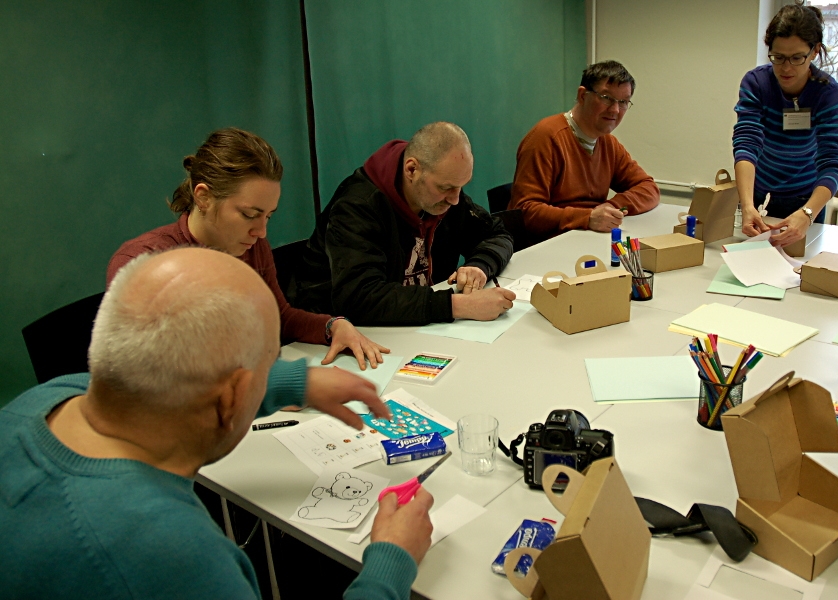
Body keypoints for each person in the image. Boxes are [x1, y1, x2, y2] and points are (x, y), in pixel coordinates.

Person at [0, 247, 434, 599]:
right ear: (231, 397)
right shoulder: (175, 556)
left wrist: (293, 382)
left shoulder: (45, 399)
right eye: (267, 369)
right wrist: (390, 563)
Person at [108, 127, 388, 370]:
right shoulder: (140, 262)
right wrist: (271, 385)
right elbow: (159, 370)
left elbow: (279, 316)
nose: (261, 232)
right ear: (203, 197)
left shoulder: (252, 246)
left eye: (268, 216)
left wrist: (332, 326)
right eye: (248, 214)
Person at [299, 122, 516, 325]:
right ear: (411, 170)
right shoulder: (357, 207)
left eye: (461, 187)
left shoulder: (442, 198)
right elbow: (359, 297)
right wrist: (457, 306)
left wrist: (479, 265)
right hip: (340, 335)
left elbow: (497, 235)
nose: (455, 199)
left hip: (415, 325)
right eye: (445, 188)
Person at [733, 1, 838, 247]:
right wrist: (747, 204)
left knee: (800, 272)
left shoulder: (828, 93)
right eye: (778, 57)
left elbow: (833, 161)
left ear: (815, 51)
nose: (785, 68)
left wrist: (808, 213)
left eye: (796, 58)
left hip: (807, 200)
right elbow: (746, 144)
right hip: (759, 197)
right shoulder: (756, 84)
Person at [509, 60, 659, 242]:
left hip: (586, 239)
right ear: (582, 95)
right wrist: (587, 218)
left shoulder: (608, 143)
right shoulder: (546, 137)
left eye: (623, 102)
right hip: (546, 246)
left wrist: (611, 207)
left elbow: (649, 189)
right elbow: (525, 212)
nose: (615, 110)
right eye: (606, 98)